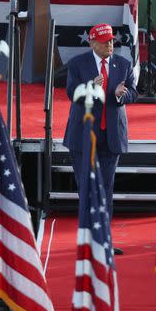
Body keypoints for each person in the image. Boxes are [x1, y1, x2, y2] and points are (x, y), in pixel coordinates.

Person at [63, 24, 137, 253]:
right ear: (92, 43)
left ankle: (103, 240)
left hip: (111, 136)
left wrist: (121, 95)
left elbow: (134, 92)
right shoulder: (78, 64)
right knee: (86, 187)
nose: (109, 45)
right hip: (83, 136)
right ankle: (87, 239)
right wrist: (89, 88)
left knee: (106, 188)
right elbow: (71, 93)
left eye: (112, 41)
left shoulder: (123, 64)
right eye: (105, 42)